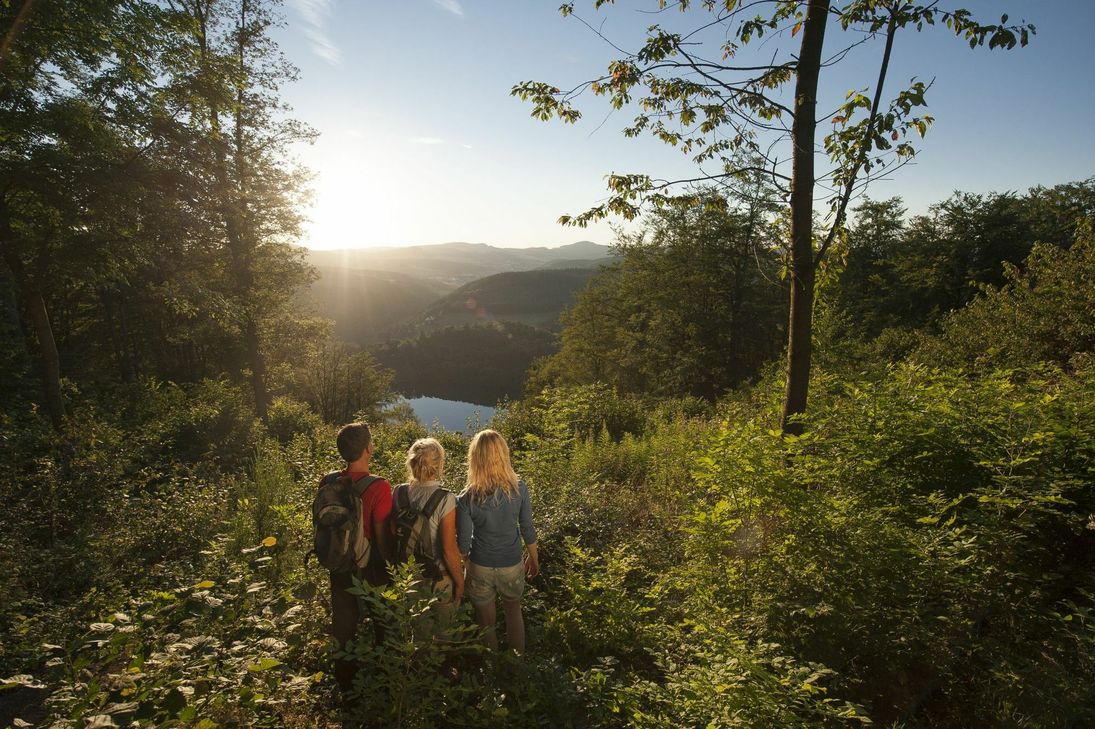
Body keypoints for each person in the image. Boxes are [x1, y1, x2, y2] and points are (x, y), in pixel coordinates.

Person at [322, 422, 393, 693]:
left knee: (343, 623)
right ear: (368, 449)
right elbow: (381, 535)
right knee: (382, 620)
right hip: (368, 564)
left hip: (338, 560)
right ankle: (384, 678)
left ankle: (346, 685)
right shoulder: (379, 486)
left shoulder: (328, 481)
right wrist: (390, 567)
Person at [457, 429, 539, 655]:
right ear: (504, 454)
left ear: (475, 458)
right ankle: (516, 665)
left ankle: (493, 668)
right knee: (514, 613)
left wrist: (466, 564)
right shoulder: (519, 489)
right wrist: (533, 558)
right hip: (511, 563)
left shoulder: (466, 497)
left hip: (480, 565)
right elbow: (527, 528)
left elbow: (463, 544)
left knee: (486, 623)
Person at [393, 437, 465, 624]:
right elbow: (449, 549)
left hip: (408, 576)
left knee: (417, 634)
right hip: (438, 576)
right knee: (444, 633)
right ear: (439, 464)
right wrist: (460, 582)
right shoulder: (445, 498)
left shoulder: (399, 492)